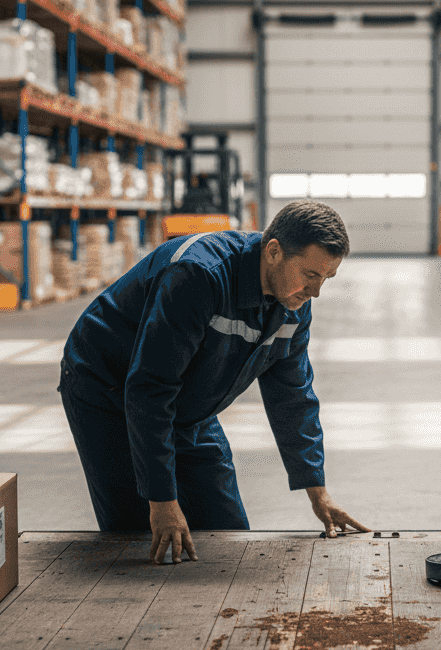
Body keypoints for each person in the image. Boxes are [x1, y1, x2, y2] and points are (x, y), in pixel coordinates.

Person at [58, 200, 370, 563]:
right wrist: (162, 500)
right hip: (107, 391)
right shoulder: (198, 275)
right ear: (273, 252)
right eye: (311, 275)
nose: (315, 291)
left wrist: (318, 491)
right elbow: (150, 388)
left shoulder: (292, 305)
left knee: (227, 531)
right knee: (140, 537)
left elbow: (293, 395)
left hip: (187, 400)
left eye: (326, 279)